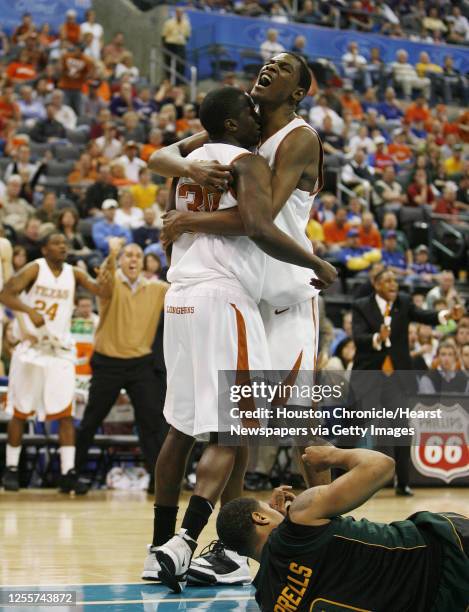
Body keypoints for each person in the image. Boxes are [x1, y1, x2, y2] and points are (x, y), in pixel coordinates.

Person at [148, 53, 336, 585]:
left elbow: (260, 219)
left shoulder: (298, 137)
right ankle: (231, 548)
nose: (269, 69)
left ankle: (332, 536)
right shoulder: (243, 126)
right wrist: (186, 166)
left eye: (284, 68)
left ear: (300, 91)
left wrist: (188, 217)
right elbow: (161, 155)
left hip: (292, 297)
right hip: (250, 297)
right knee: (239, 423)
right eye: (267, 63)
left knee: (302, 431)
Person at [217, 445, 469, 611]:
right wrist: (333, 455)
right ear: (260, 518)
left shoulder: (269, 601)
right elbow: (382, 466)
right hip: (447, 550)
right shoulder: (301, 517)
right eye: (269, 509)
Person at [0, 231, 110, 493]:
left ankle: (67, 472)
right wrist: (29, 311)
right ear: (44, 248)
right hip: (31, 349)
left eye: (65, 243)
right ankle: (12, 469)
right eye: (57, 243)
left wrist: (108, 277)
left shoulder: (74, 273)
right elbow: (5, 294)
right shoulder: (33, 269)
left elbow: (102, 292)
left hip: (59, 351)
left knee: (65, 414)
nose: (63, 246)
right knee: (20, 411)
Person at [352, 268, 464, 496]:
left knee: (402, 429)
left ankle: (402, 482)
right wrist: (377, 338)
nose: (394, 284)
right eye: (388, 281)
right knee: (353, 428)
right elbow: (358, 338)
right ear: (375, 284)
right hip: (369, 375)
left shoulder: (403, 302)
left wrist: (447, 315)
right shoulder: (361, 305)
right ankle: (340, 478)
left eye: (395, 280)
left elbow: (425, 315)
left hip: (396, 379)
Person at [74, 239, 169, 493]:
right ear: (120, 260)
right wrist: (112, 252)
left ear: (144, 262)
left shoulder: (157, 288)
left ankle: (160, 480)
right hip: (108, 363)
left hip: (140, 365)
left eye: (138, 255)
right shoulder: (112, 283)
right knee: (91, 421)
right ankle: (74, 472)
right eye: (128, 255)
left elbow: (182, 289)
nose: (133, 259)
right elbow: (102, 279)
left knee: (151, 423)